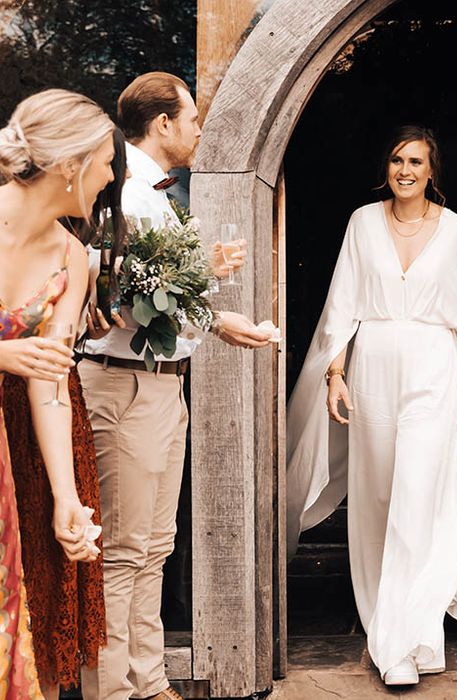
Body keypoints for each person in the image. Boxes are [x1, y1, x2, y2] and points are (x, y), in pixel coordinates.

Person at [287, 126, 457, 686]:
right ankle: (390, 620)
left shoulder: (456, 230)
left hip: (435, 367)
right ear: (386, 166)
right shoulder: (363, 222)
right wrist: (336, 374)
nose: (404, 169)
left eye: (416, 161)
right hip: (375, 366)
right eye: (396, 159)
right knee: (379, 495)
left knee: (420, 494)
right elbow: (342, 303)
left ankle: (406, 640)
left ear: (432, 171)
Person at [78, 72, 273, 700]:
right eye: (192, 119)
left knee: (155, 546)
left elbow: (163, 298)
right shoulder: (123, 193)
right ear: (163, 123)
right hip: (123, 386)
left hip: (162, 386)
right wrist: (201, 278)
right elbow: (123, 301)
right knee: (122, 551)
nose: (197, 130)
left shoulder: (157, 195)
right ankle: (112, 690)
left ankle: (151, 681)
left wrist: (216, 317)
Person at [2, 128, 132, 696]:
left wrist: (67, 498)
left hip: (35, 434)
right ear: (70, 165)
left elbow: (49, 380)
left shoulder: (72, 255)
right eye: (105, 163)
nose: (111, 177)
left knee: (42, 578)